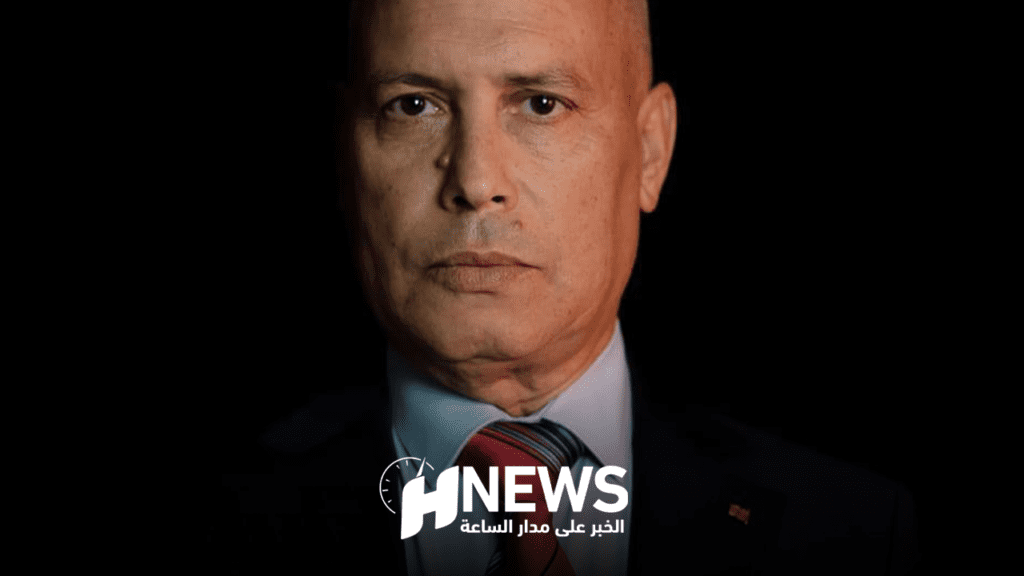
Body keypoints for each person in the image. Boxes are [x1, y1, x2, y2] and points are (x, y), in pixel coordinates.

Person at [203, 0, 920, 574]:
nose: (476, 181)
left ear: (650, 151)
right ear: (345, 152)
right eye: (413, 105)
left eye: (541, 104)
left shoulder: (855, 534)